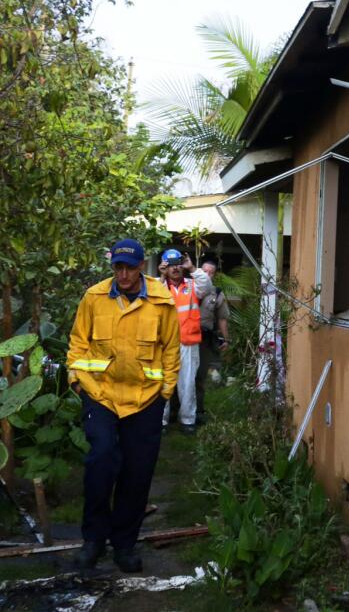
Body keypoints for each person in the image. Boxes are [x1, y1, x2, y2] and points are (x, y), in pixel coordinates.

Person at [67, 238, 179, 572]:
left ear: (143, 266)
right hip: (100, 395)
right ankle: (94, 540)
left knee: (137, 472)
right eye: (119, 267)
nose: (124, 274)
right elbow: (78, 343)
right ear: (113, 266)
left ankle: (124, 544)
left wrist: (166, 389)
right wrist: (78, 380)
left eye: (130, 267)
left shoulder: (161, 300)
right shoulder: (94, 297)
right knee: (101, 459)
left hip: (145, 399)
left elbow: (171, 348)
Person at [158, 249, 211, 434]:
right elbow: (150, 293)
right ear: (165, 267)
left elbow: (207, 286)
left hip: (188, 343)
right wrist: (161, 277)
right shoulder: (159, 286)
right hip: (163, 345)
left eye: (178, 264)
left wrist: (192, 267)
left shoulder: (192, 285)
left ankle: (188, 421)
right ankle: (160, 422)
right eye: (170, 265)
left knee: (187, 383)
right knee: (162, 382)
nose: (175, 268)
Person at [195, 257, 229, 423]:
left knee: (200, 375)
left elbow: (222, 318)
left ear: (214, 275)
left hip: (203, 338)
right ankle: (173, 411)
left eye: (211, 272)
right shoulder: (187, 287)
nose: (207, 275)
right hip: (181, 338)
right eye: (204, 271)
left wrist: (225, 339)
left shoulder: (216, 293)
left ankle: (198, 411)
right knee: (177, 374)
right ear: (198, 271)